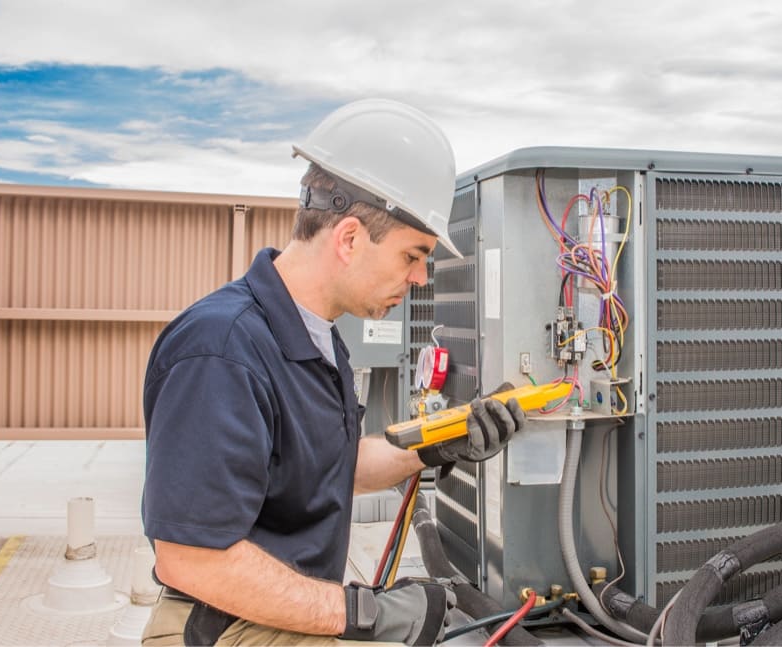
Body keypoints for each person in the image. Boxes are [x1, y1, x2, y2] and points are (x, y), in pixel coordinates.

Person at [140, 99, 526, 646]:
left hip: (279, 615)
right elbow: (191, 559)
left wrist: (445, 442)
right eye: (412, 256)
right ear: (348, 238)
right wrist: (366, 614)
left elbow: (330, 469)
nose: (420, 278)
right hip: (225, 627)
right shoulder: (221, 350)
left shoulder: (317, 338)